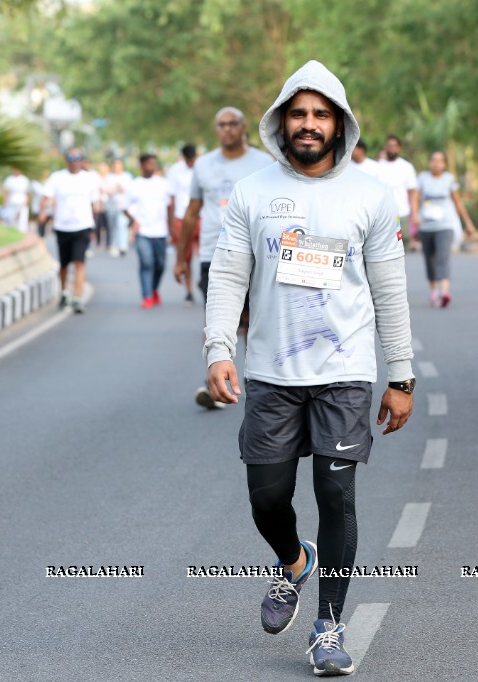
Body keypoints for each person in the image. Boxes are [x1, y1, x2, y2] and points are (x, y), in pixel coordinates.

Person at [203, 60, 415, 677]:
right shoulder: (251, 192)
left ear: (340, 123)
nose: (309, 124)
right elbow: (228, 275)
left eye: (321, 114)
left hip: (345, 371)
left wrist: (400, 376)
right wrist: (218, 348)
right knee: (266, 497)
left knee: (335, 491)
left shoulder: (370, 195)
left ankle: (328, 626)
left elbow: (390, 290)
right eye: (299, 113)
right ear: (281, 120)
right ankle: (294, 559)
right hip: (270, 372)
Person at [173, 106, 272, 410]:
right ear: (216, 130)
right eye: (221, 125)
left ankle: (258, 382)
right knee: (217, 321)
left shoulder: (264, 163)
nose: (227, 129)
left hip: (256, 255)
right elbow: (192, 213)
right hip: (212, 254)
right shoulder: (203, 165)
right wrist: (181, 258)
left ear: (244, 128)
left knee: (253, 322)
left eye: (233, 124)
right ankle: (214, 385)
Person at [39, 148, 101, 314]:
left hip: (82, 226)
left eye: (77, 159)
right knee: (64, 263)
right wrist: (43, 213)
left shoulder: (90, 179)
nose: (74, 162)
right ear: (66, 161)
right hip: (62, 227)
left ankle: (77, 298)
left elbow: (95, 204)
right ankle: (65, 292)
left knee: (79, 262)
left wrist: (95, 227)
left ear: (82, 161)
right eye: (71, 159)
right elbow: (45, 197)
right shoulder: (57, 178)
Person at [414, 150, 476, 307]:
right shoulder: (422, 178)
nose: (436, 163)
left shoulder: (449, 179)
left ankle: (444, 291)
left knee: (443, 256)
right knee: (430, 259)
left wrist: (467, 222)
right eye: (433, 160)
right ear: (430, 162)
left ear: (444, 164)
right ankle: (434, 290)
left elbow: (458, 202)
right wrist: (415, 215)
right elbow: (415, 198)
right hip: (426, 225)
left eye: (440, 160)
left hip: (445, 225)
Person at [124, 154, 171, 308]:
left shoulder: (163, 184)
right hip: (142, 231)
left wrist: (171, 230)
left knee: (160, 264)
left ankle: (154, 289)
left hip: (160, 230)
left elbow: (170, 206)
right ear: (142, 165)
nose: (153, 166)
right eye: (149, 163)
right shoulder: (134, 184)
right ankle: (147, 296)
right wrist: (134, 221)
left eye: (154, 163)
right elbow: (124, 207)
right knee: (146, 262)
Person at [167, 144, 198, 304]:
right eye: (188, 160)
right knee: (186, 256)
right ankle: (189, 289)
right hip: (182, 217)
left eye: (193, 159)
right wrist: (171, 223)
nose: (191, 163)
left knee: (209, 253)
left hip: (201, 216)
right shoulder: (175, 170)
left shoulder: (202, 167)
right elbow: (171, 198)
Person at [376, 134, 419, 251]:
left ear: (399, 148)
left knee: (403, 242)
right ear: (385, 147)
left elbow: (413, 192)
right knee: (386, 246)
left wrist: (415, 213)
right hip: (383, 214)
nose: (392, 148)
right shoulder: (377, 167)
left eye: (394, 146)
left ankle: (399, 268)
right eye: (389, 146)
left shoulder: (406, 167)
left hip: (402, 212)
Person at [103, 159, 133, 256]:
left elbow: (130, 191)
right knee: (113, 226)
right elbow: (105, 190)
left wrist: (121, 187)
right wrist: (114, 188)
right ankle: (114, 245)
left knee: (121, 225)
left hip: (123, 206)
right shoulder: (109, 177)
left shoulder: (127, 176)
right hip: (111, 206)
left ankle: (122, 246)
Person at [1, 168, 31, 233]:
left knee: (22, 220)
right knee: (11, 219)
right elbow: (6, 192)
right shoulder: (9, 179)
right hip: (11, 202)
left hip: (22, 201)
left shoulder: (24, 179)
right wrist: (4, 203)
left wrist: (27, 202)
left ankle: (22, 234)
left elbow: (28, 193)